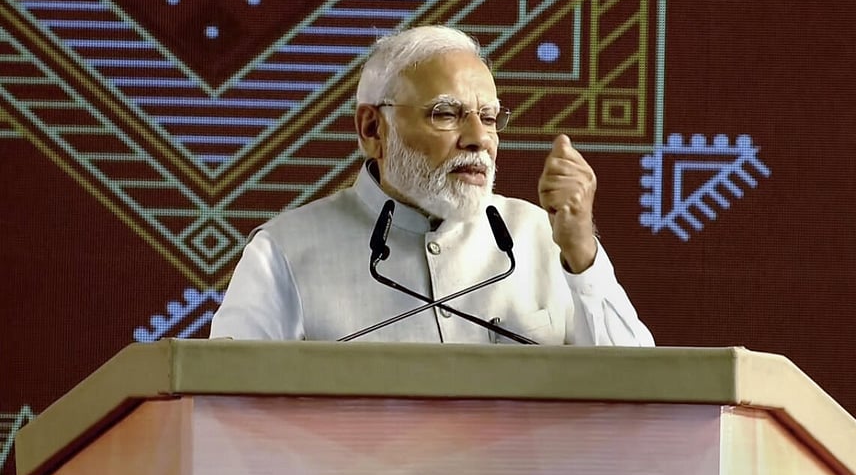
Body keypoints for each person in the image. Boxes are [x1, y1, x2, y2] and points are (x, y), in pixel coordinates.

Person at [210, 25, 654, 346]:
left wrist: (581, 253)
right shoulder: (283, 252)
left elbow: (646, 393)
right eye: (446, 114)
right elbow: (222, 408)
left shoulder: (540, 238)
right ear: (372, 129)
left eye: (489, 117)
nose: (479, 139)